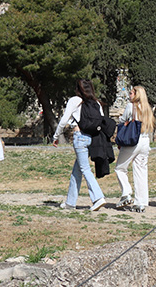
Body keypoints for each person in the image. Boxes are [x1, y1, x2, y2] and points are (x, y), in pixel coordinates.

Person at [53, 78, 106, 211]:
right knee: (77, 170)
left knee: (85, 169)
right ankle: (70, 203)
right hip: (91, 138)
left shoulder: (75, 100)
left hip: (79, 137)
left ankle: (98, 198)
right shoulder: (97, 103)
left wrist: (56, 136)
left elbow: (64, 120)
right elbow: (101, 120)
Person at [115, 85, 154, 212]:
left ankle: (126, 193)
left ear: (136, 94)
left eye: (131, 93)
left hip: (133, 140)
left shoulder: (131, 106)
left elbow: (122, 120)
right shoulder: (147, 108)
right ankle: (141, 202)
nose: (129, 95)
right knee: (141, 172)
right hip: (145, 140)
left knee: (120, 168)